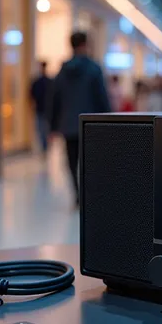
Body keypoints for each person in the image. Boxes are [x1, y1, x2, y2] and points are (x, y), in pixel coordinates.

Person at [50, 31, 111, 206]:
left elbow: (55, 99)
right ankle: (88, 195)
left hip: (68, 124)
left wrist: (53, 126)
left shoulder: (62, 70)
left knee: (71, 161)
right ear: (85, 44)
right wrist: (109, 122)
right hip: (90, 125)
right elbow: (102, 98)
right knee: (90, 162)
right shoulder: (94, 68)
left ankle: (77, 194)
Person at [29, 61, 52, 156]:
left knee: (43, 129)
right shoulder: (40, 82)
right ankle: (44, 147)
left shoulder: (47, 81)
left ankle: (45, 147)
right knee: (42, 129)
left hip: (45, 110)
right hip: (41, 109)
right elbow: (31, 95)